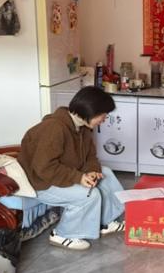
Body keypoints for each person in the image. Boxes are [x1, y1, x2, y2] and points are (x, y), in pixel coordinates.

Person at [18, 86, 125, 251]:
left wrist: (92, 170)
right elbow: (44, 168)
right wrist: (78, 178)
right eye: (103, 115)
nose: (104, 120)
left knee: (106, 174)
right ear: (91, 111)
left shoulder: (83, 127)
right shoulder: (53, 128)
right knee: (89, 194)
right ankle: (63, 234)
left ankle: (105, 222)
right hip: (40, 183)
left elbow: (90, 156)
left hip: (61, 174)